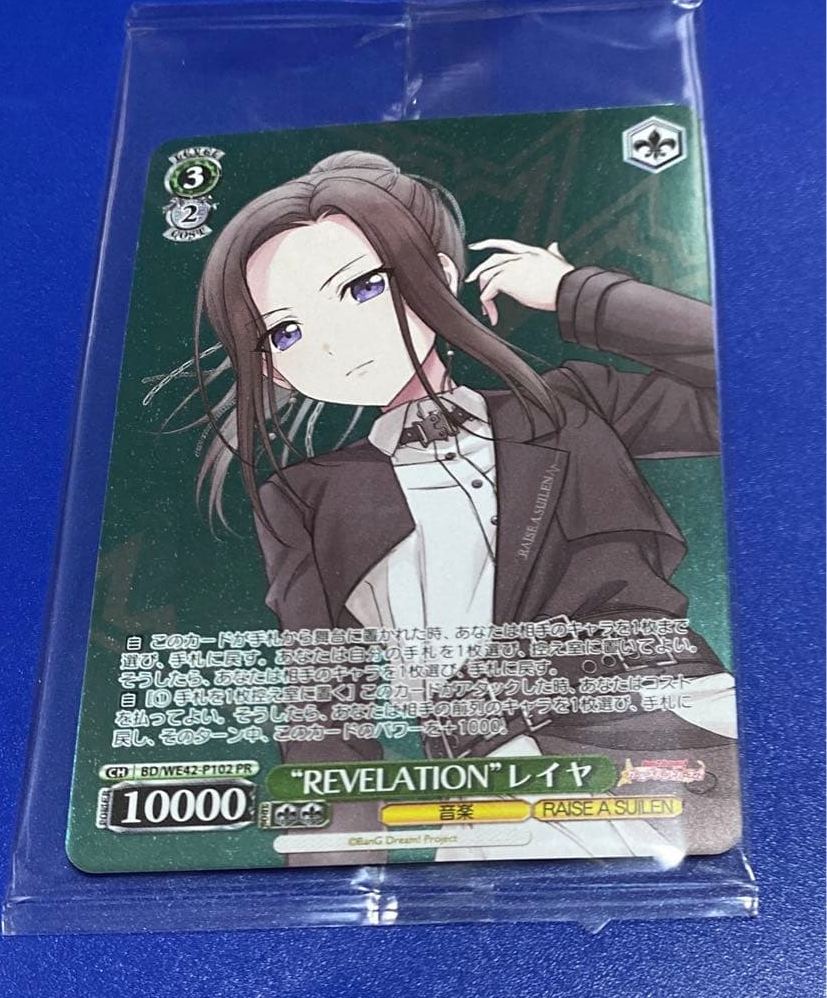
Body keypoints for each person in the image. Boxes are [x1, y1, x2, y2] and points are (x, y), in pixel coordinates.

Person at [188, 150, 739, 865]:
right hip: (497, 787)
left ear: (440, 277)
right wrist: (336, 876)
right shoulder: (304, 498)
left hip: (682, 733)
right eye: (284, 332)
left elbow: (745, 384)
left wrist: (574, 292)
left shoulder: (568, 407)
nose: (330, 341)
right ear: (270, 365)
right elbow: (326, 702)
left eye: (361, 288)